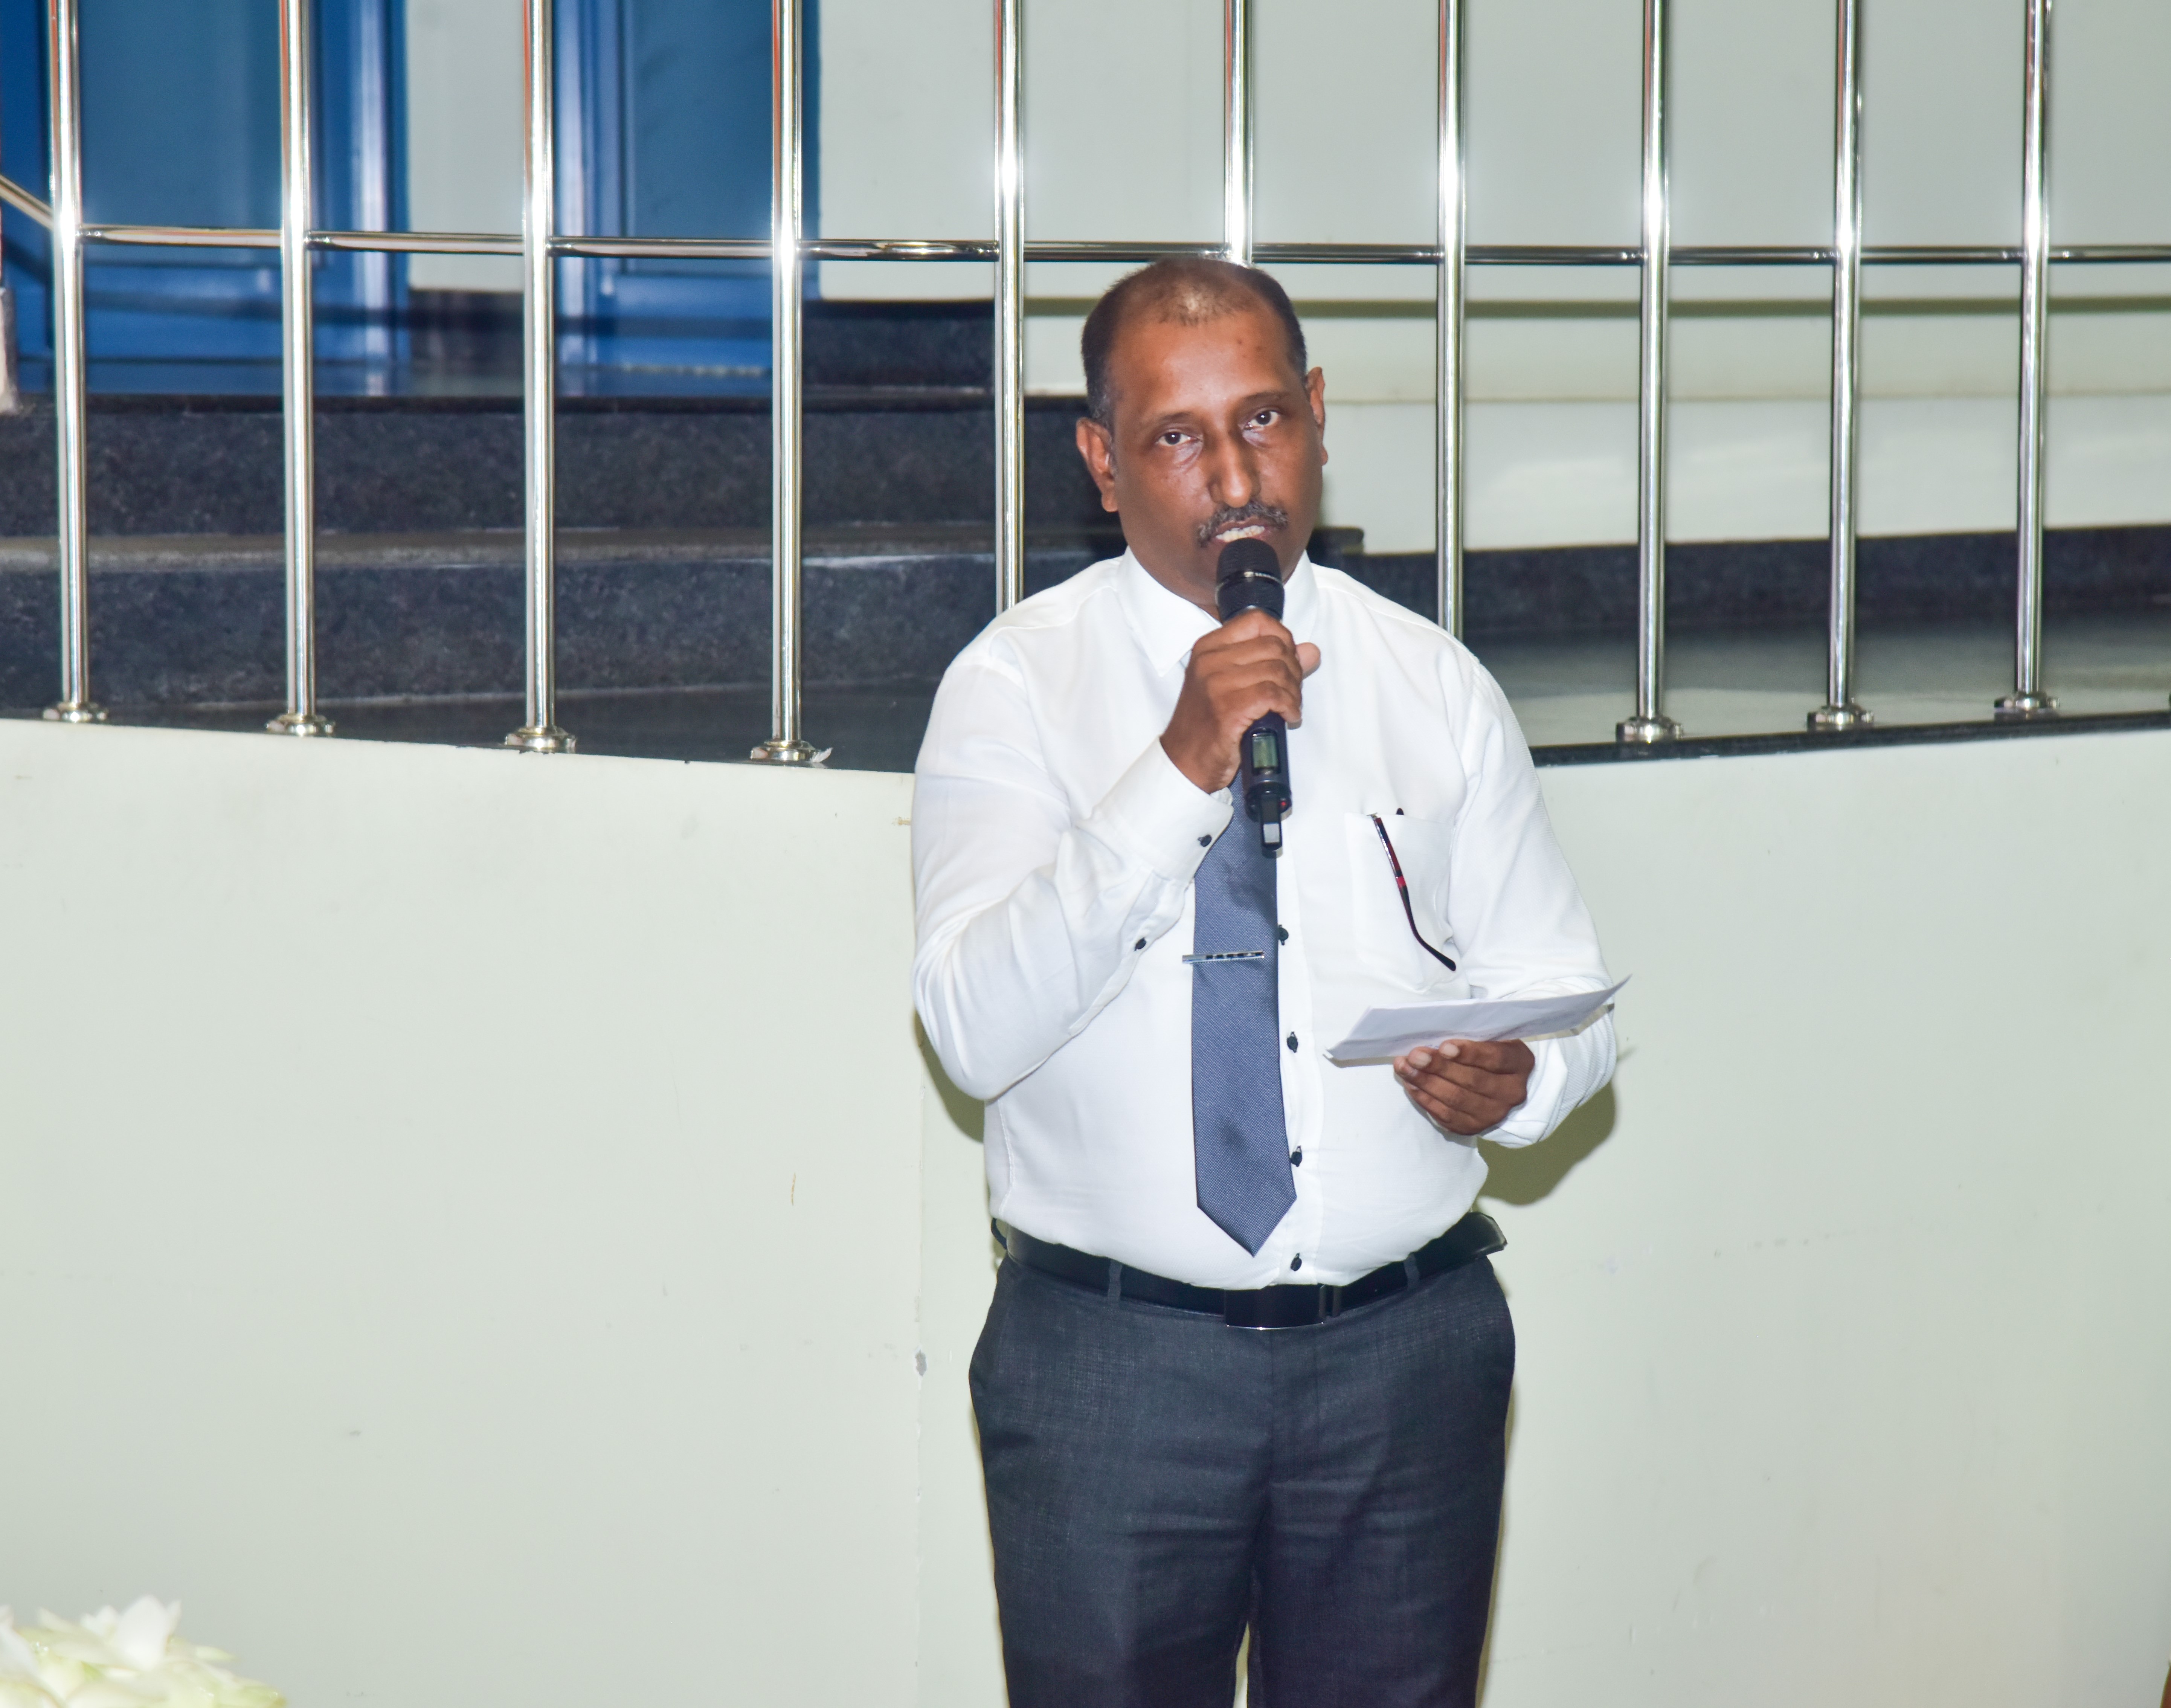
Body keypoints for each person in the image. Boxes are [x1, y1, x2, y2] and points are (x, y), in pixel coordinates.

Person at [911, 257, 1615, 1706]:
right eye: (1177, 435)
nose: (1236, 478)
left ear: (1318, 414)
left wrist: (1525, 1079)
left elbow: (1569, 999)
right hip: (1115, 1372)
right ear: (1103, 460)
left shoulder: (1433, 683)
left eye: (1264, 419)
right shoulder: (1015, 687)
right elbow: (974, 1030)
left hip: (1404, 1365)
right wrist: (1179, 768)